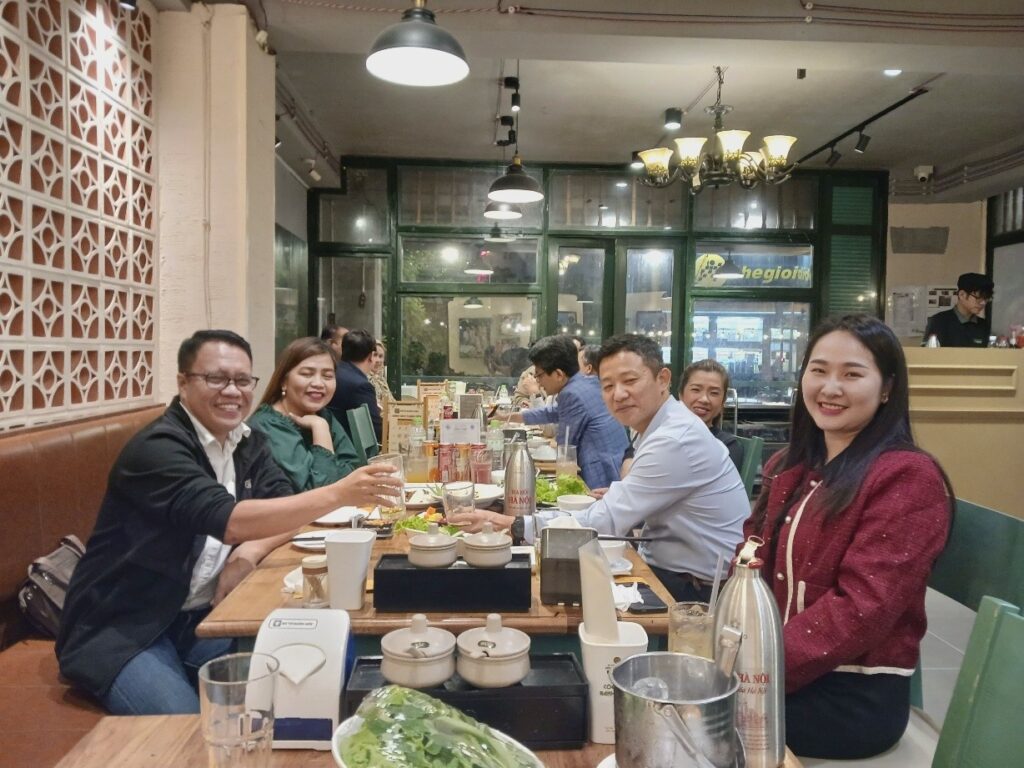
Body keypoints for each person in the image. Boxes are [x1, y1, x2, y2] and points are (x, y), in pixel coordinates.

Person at [56, 330, 401, 716]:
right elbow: (228, 521)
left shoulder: (245, 442)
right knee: (189, 728)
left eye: (241, 380)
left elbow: (285, 507)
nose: (232, 391)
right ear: (183, 383)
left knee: (310, 684)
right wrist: (339, 494)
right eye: (216, 378)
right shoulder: (159, 448)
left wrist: (250, 552)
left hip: (204, 617)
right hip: (125, 628)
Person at [743, 314, 953, 759]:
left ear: (887, 387)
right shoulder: (789, 465)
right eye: (818, 370)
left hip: (852, 696)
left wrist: (754, 671)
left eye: (852, 374)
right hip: (774, 674)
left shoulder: (907, 477)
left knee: (688, 717)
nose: (830, 387)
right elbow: (749, 558)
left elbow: (862, 608)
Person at [453, 334, 748, 602]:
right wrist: (628, 494)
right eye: (607, 386)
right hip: (671, 565)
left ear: (663, 379)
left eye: (630, 381)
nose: (618, 394)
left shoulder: (674, 438)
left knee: (534, 597)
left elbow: (605, 521)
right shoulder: (662, 423)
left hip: (695, 591)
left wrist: (513, 524)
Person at [507, 335, 628, 489]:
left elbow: (564, 448)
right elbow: (553, 412)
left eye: (539, 375)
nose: (538, 381)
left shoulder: (571, 394)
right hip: (617, 466)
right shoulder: (587, 381)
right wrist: (508, 417)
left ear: (559, 374)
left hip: (600, 476)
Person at [247, 336, 361, 492]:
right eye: (307, 374)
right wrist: (320, 430)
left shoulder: (323, 414)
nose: (318, 383)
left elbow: (354, 471)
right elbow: (321, 493)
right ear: (283, 381)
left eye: (327, 376)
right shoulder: (267, 426)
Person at [678, 359, 743, 471]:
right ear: (681, 395)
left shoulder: (728, 446)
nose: (704, 399)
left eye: (714, 393)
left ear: (723, 401)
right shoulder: (663, 434)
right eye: (696, 390)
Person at [327, 328, 383, 442]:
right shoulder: (361, 386)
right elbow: (375, 432)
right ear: (371, 356)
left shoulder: (332, 373)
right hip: (347, 446)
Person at [922, 272, 993, 347]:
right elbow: (926, 352)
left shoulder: (984, 325)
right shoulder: (938, 321)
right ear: (962, 295)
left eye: (986, 298)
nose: (983, 303)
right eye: (978, 298)